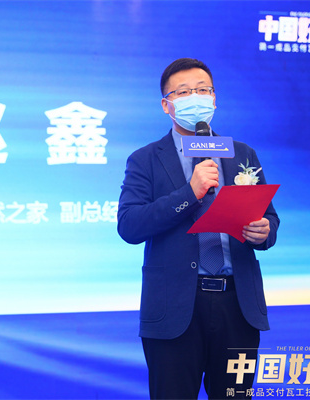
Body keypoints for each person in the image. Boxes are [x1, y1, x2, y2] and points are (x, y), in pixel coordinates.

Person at [117, 58, 280, 399]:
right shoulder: (145, 159)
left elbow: (269, 216)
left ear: (214, 99)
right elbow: (130, 225)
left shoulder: (241, 153)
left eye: (203, 90)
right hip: (176, 308)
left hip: (238, 307)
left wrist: (264, 232)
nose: (196, 97)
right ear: (166, 105)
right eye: (184, 92)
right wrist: (189, 193)